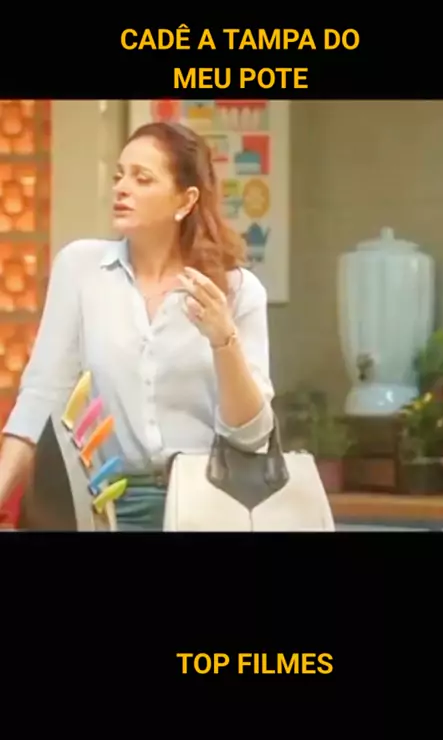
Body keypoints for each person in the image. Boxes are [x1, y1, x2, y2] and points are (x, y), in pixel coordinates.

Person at [0, 121, 275, 531]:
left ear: (186, 199)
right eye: (119, 176)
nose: (121, 189)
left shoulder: (236, 291)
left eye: (142, 178)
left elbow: (251, 435)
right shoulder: (80, 269)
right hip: (107, 506)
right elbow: (41, 399)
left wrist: (225, 342)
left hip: (209, 506)